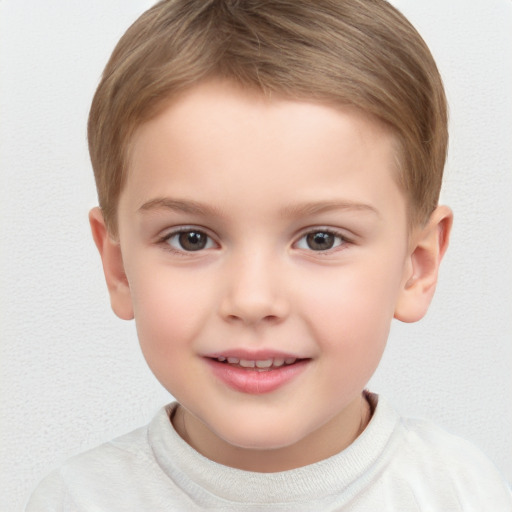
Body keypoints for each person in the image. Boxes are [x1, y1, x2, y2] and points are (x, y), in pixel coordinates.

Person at [25, 0, 512, 510]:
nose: (253, 300)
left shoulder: (464, 495)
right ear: (119, 267)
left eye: (321, 239)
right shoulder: (73, 501)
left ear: (417, 266)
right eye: (191, 238)